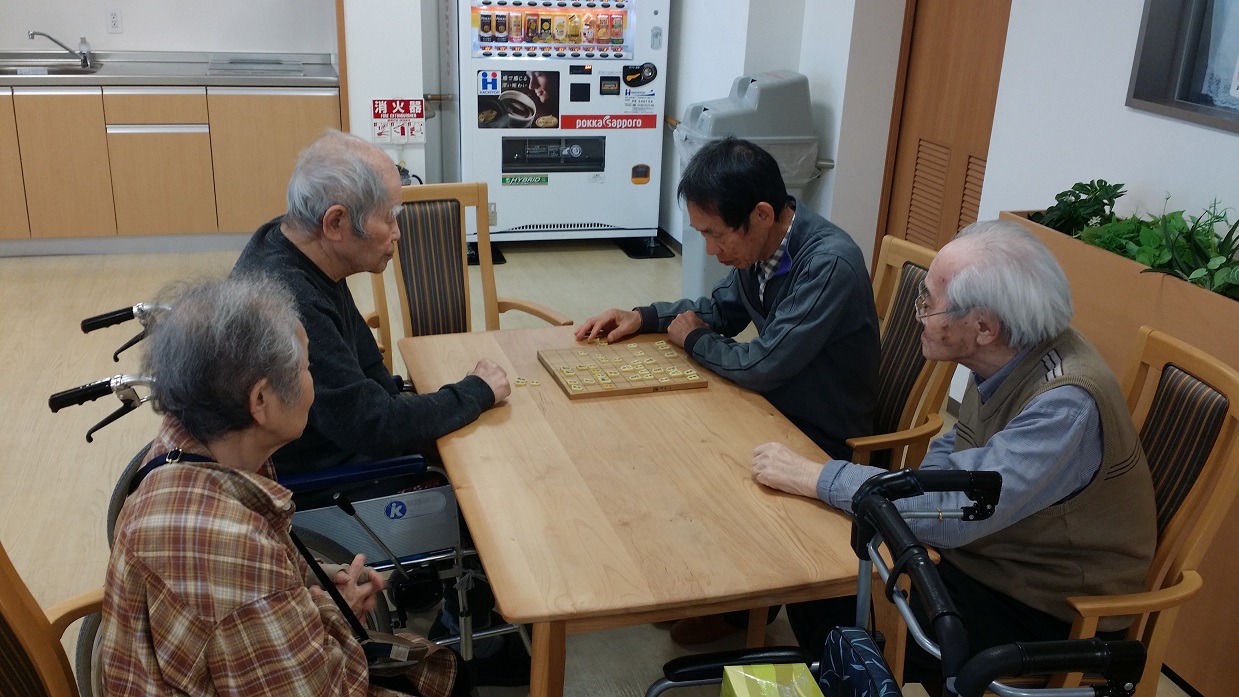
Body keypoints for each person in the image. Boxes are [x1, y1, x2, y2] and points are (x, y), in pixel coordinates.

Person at [751, 219, 1157, 684]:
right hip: (988, 556)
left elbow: (959, 508)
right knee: (828, 581)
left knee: (834, 603)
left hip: (1045, 606)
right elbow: (956, 449)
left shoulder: (1065, 405)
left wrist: (816, 476)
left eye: (928, 303)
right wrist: (918, 506)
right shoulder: (1010, 350)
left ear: (983, 326)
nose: (918, 314)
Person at [97, 276, 467, 696]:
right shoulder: (233, 550)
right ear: (260, 400)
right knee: (448, 676)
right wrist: (337, 610)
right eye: (307, 368)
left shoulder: (186, 447)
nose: (313, 383)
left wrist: (318, 579)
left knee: (444, 671)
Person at [576, 136, 880, 644]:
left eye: (716, 235)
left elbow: (761, 363)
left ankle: (747, 600)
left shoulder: (828, 263)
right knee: (666, 441)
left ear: (761, 215)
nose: (712, 251)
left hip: (821, 433)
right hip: (774, 407)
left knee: (695, 458)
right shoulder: (762, 249)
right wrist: (643, 316)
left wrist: (694, 339)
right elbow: (718, 311)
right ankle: (731, 598)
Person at [232, 129, 510, 474]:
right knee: (492, 465)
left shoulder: (293, 242)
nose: (397, 232)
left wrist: (408, 404)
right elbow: (372, 425)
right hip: (328, 473)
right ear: (336, 222)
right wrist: (476, 391)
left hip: (343, 439)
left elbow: (367, 368)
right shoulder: (288, 299)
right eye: (389, 217)